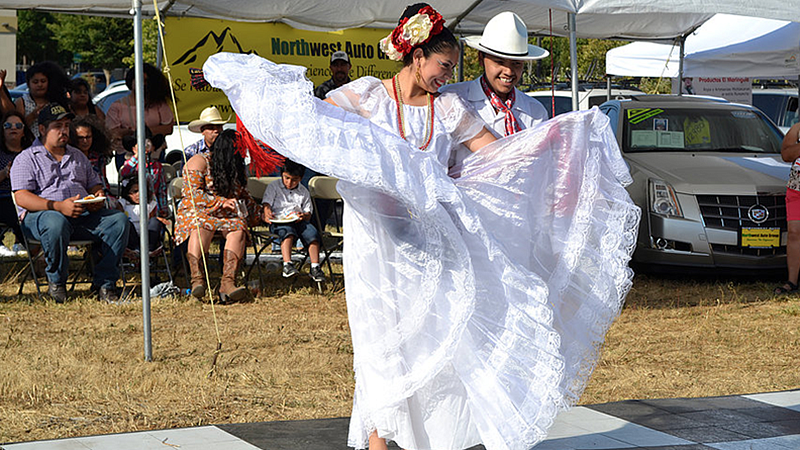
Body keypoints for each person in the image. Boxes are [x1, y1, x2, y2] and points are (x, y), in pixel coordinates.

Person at [203, 3, 639, 449]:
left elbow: (497, 152)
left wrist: (555, 144)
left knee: (432, 337)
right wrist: (267, 104)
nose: (446, 76)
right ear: (416, 56)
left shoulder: (447, 107)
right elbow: (318, 122)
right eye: (442, 66)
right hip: (374, 242)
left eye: (451, 68)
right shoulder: (369, 96)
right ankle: (378, 440)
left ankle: (433, 437)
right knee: (378, 339)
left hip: (430, 242)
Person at [11, 103, 130, 303]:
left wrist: (96, 196)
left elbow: (93, 184)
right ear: (42, 129)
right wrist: (56, 206)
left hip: (81, 216)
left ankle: (105, 283)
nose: (64, 131)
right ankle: (57, 283)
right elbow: (22, 197)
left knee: (118, 221)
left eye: (66, 125)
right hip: (41, 218)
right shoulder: (27, 158)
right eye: (58, 126)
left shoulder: (77, 155)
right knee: (55, 222)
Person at [439, 11, 549, 174]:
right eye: (499, 62)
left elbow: (540, 167)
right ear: (480, 58)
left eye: (516, 64)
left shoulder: (535, 111)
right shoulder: (453, 99)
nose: (508, 71)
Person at [174, 128, 258, 303]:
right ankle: (197, 281)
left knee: (239, 226)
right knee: (202, 226)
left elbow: (242, 195)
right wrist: (220, 202)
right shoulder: (198, 161)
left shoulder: (234, 168)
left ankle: (228, 283)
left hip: (225, 216)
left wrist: (261, 211)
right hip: (198, 211)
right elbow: (192, 194)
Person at [261, 159, 325, 282]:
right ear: (282, 175)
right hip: (279, 221)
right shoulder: (274, 187)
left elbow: (308, 212)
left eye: (294, 180)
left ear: (301, 178)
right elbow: (267, 203)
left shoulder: (303, 191)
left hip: (298, 221)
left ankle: (315, 267)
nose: (290, 183)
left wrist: (304, 216)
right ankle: (287, 264)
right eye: (287, 178)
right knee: (287, 232)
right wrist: (267, 211)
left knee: (313, 234)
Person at [106, 63, 175, 170]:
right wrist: (143, 133)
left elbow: (168, 128)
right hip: (125, 156)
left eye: (146, 81)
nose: (142, 84)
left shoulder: (159, 104)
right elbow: (113, 133)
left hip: (155, 155)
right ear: (131, 81)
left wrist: (134, 132)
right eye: (139, 79)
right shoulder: (117, 106)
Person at [0, 110, 34, 257]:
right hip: (3, 197)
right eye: (8, 125)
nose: (13, 128)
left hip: (28, 196)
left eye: (18, 125)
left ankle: (29, 245)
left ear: (24, 131)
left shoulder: (32, 153)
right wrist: (4, 173)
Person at [118, 128, 169, 219]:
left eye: (146, 144)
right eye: (140, 144)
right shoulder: (130, 164)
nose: (144, 147)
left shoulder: (157, 166)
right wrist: (137, 156)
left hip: (153, 207)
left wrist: (163, 209)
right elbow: (124, 172)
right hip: (133, 207)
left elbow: (162, 189)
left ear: (152, 147)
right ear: (134, 149)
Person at [15, 61, 71, 139]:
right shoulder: (22, 102)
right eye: (35, 82)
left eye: (43, 81)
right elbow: (17, 127)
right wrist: (33, 115)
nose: (40, 85)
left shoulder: (54, 101)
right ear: (28, 84)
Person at [775, 121, 800, 295]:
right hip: (796, 188)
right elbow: (786, 154)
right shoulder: (797, 128)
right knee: (793, 232)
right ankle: (792, 281)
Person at [69, 116, 115, 202]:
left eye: (88, 137)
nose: (85, 141)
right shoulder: (68, 158)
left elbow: (104, 183)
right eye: (80, 138)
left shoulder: (99, 158)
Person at [118, 175, 164, 254]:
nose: (139, 194)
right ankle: (134, 248)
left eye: (142, 191)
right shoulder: (124, 203)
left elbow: (152, 219)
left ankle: (149, 248)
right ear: (128, 193)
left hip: (146, 232)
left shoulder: (149, 205)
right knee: (125, 223)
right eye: (135, 191)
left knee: (155, 221)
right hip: (131, 235)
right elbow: (119, 215)